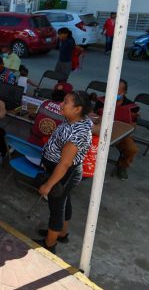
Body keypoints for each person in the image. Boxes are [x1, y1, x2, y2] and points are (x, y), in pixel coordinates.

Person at [36, 91, 93, 254]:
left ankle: (49, 245)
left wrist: (49, 184)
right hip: (64, 172)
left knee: (56, 208)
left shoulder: (78, 132)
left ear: (77, 109)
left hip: (63, 173)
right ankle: (61, 233)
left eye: (66, 102)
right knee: (64, 202)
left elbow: (65, 163)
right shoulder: (78, 120)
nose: (61, 104)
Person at [93, 79, 139, 180]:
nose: (115, 94)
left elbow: (133, 125)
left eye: (118, 92)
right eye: (112, 91)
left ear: (124, 92)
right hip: (100, 131)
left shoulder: (132, 107)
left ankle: (122, 166)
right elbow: (94, 117)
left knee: (132, 149)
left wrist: (126, 129)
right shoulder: (101, 101)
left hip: (120, 134)